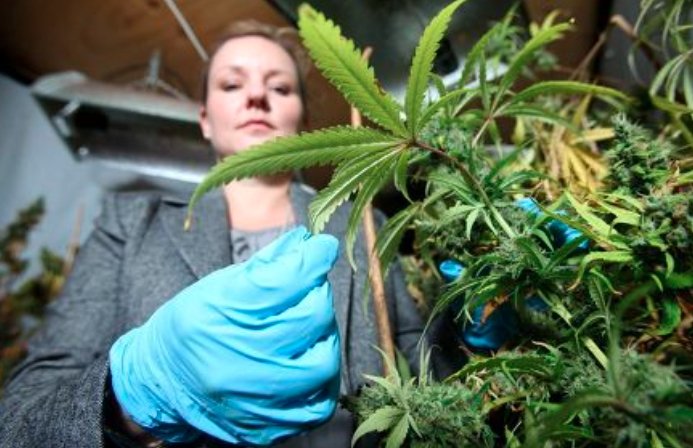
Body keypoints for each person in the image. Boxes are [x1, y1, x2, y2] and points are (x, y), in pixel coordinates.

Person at [0, 21, 426, 447]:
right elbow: (22, 414)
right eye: (231, 84)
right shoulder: (130, 222)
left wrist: (472, 323)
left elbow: (418, 359)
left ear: (305, 121)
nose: (257, 97)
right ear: (205, 119)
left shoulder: (365, 224)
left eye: (279, 88)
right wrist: (131, 396)